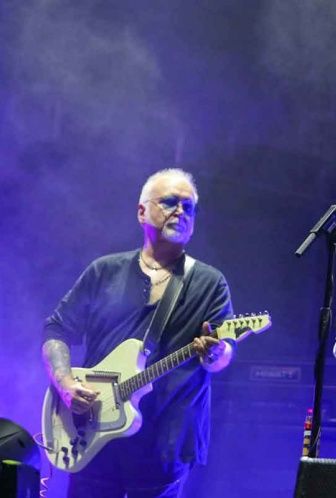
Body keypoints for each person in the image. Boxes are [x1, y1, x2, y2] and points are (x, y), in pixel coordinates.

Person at [42, 168, 234, 497]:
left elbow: (222, 353)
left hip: (165, 443)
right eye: (170, 202)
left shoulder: (209, 282)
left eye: (189, 207)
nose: (181, 212)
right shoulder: (105, 271)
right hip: (94, 432)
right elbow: (57, 329)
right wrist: (65, 384)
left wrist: (217, 352)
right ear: (141, 211)